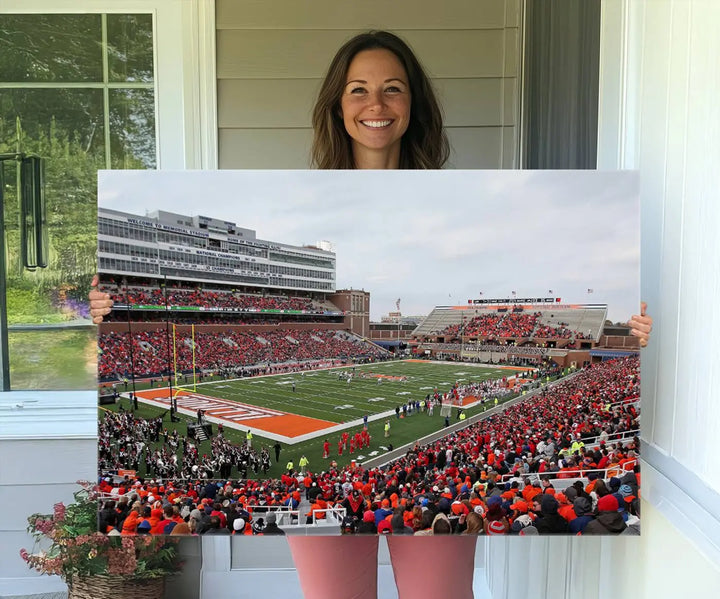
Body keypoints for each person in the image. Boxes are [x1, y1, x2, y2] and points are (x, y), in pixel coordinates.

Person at [88, 29, 654, 599]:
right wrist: (88, 318)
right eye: (358, 90)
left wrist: (645, 336)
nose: (376, 105)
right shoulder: (297, 186)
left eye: (393, 89)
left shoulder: (460, 188)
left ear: (414, 104)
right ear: (337, 105)